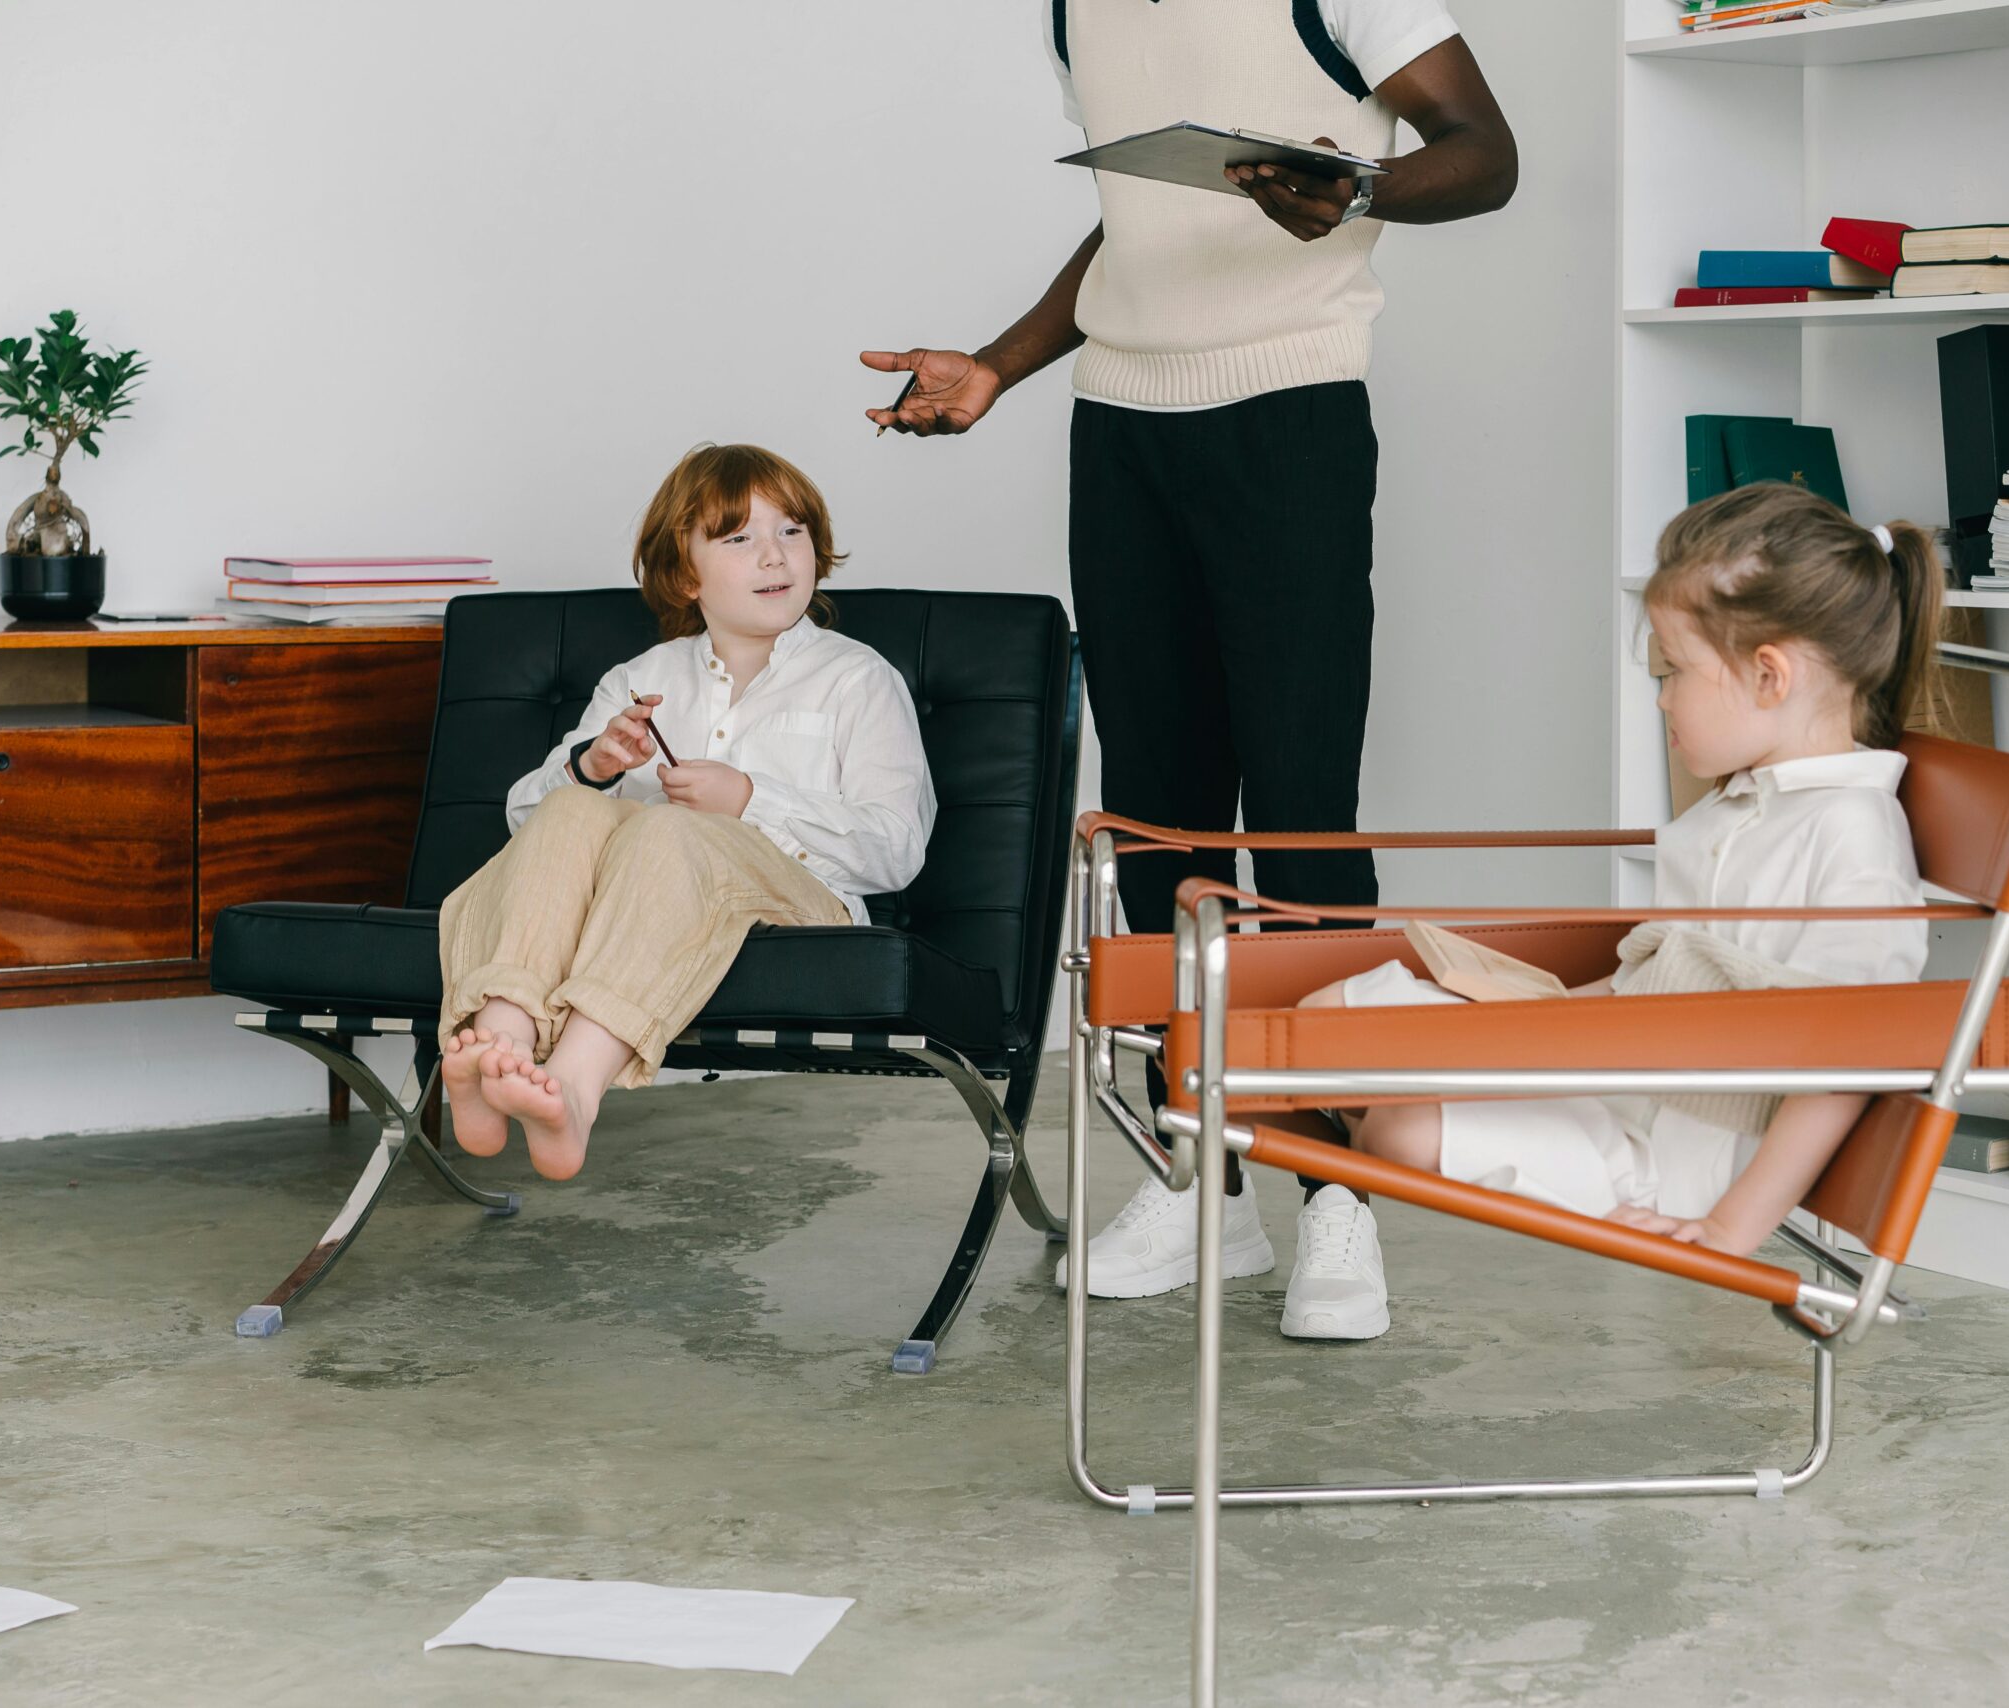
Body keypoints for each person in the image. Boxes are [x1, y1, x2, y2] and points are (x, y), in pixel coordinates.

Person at [861, 0, 1518, 1338]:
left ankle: (1335, 1191)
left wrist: (1359, 188)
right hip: (1123, 436)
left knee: (1298, 822)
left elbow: (1487, 151)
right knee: (1160, 828)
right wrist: (998, 366)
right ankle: (1201, 1178)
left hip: (1291, 420)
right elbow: (1136, 226)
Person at [1297, 484, 1943, 1334]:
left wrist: (1728, 1229)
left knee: (1400, 1133)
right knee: (1332, 1015)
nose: (1662, 697)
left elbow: (1848, 1064)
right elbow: (1664, 980)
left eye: (1673, 671)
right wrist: (1528, 1019)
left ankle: (1410, 1090)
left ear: (1769, 674)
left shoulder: (1854, 839)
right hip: (1616, 1074)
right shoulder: (1737, 803)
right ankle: (1415, 1068)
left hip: (1665, 1153)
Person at [436, 444, 935, 1180]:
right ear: (684, 572)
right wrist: (594, 767)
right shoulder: (641, 679)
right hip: (650, 910)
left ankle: (575, 1086)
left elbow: (896, 850)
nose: (774, 556)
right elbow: (527, 826)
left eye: (791, 531)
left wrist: (751, 802)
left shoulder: (858, 681)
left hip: (806, 915)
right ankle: (499, 1044)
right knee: (572, 813)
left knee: (672, 828)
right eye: (739, 538)